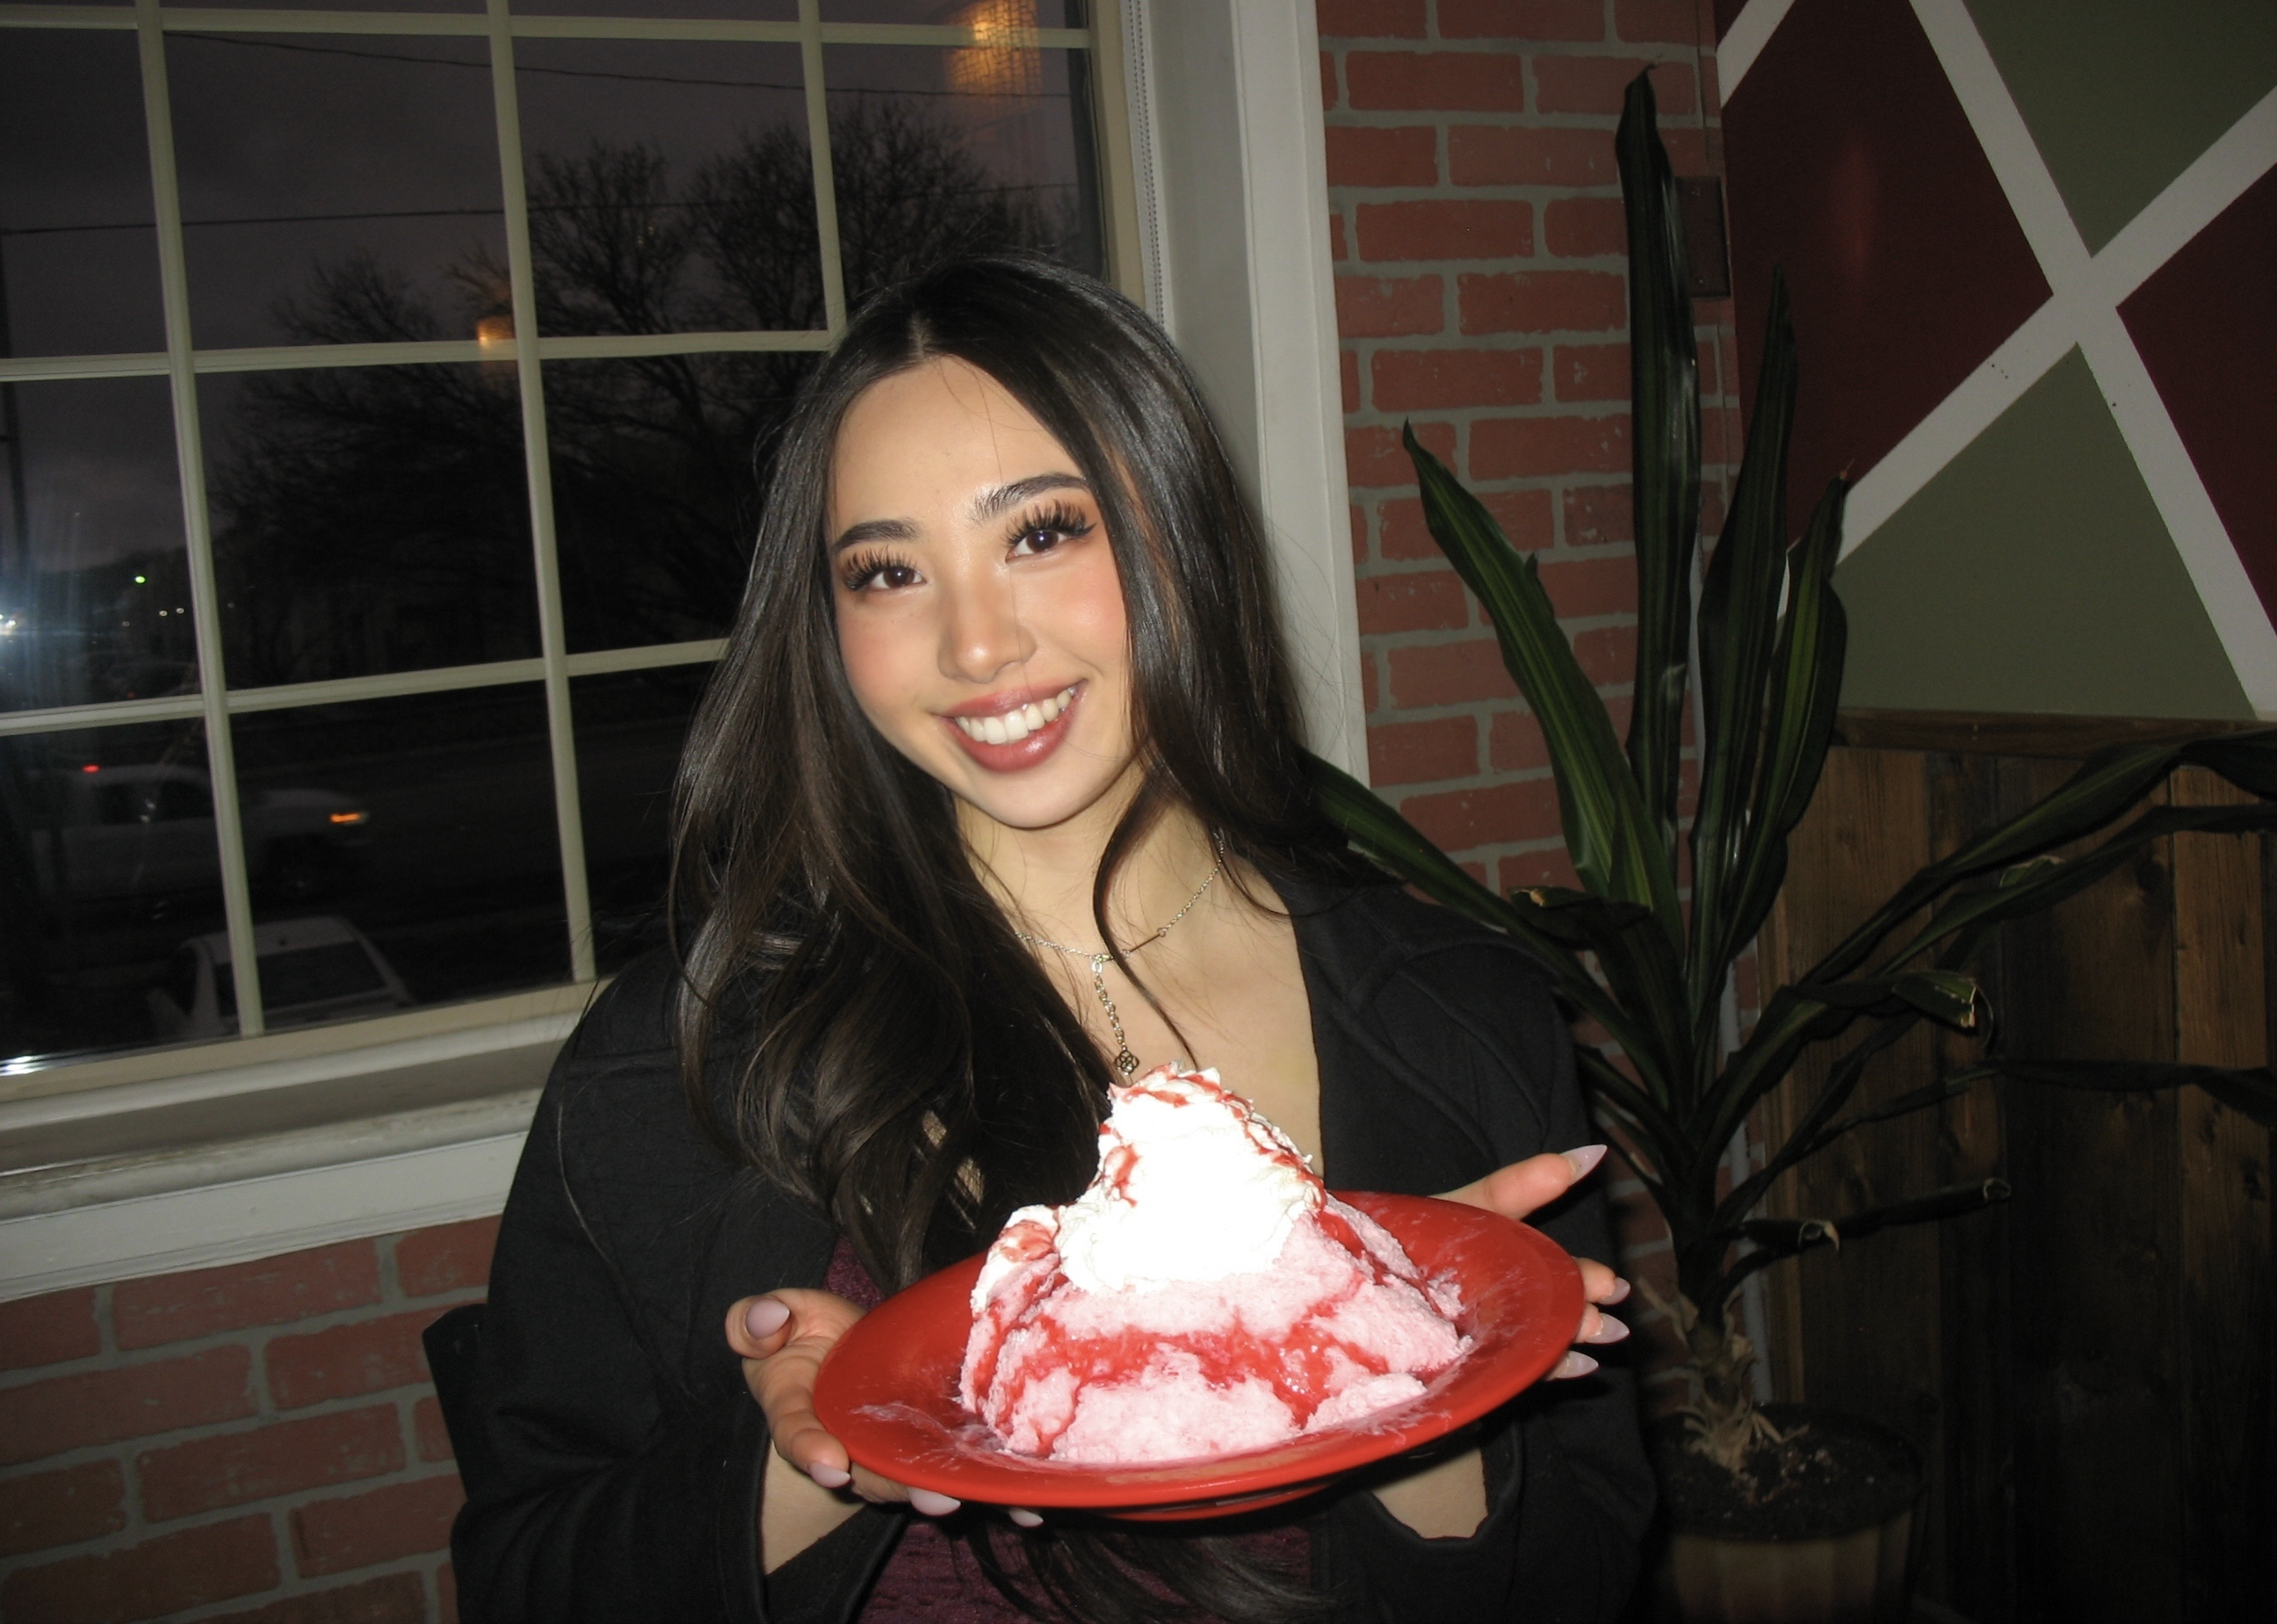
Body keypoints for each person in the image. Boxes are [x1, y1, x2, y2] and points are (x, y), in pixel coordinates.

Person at [448, 253, 1655, 1623]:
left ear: (1177, 536)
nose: (975, 645)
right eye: (888, 571)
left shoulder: (1460, 1018)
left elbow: (1583, 1570)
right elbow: (526, 1578)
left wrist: (1417, 1388)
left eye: (1040, 534)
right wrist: (806, 1462)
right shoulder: (690, 1056)